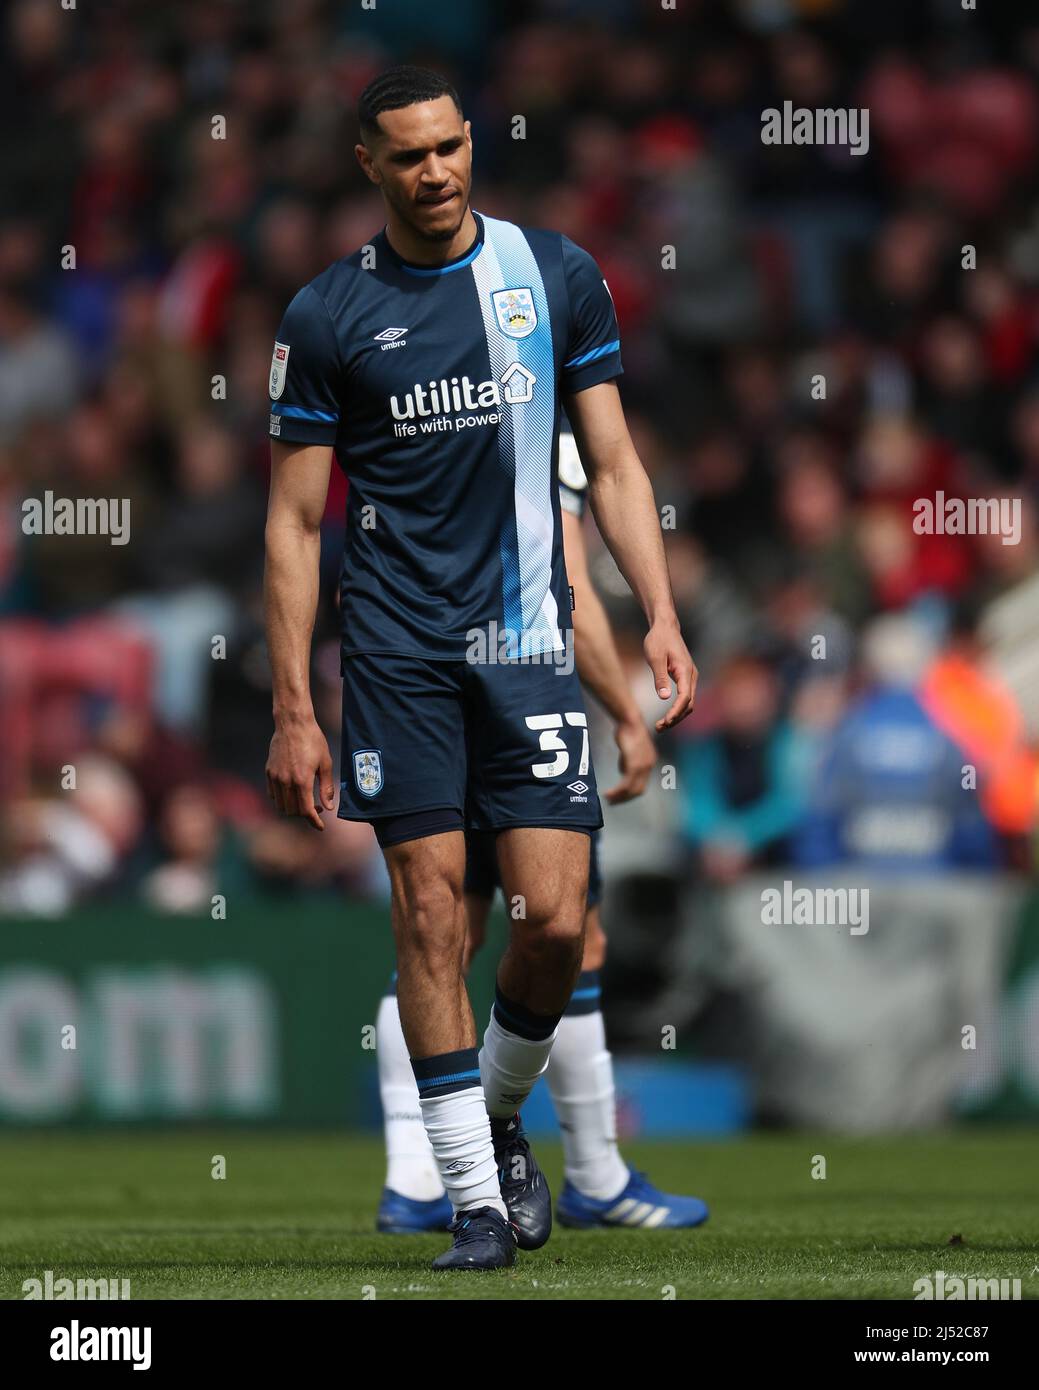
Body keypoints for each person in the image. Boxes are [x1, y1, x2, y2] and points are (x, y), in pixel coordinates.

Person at [263, 66, 696, 1270]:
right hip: (398, 652)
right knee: (431, 908)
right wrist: (296, 705)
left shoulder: (554, 275)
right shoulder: (326, 316)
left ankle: (497, 1114)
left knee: (555, 925)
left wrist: (656, 610)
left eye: (450, 147)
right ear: (369, 164)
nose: (436, 171)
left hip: (527, 645)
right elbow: (295, 525)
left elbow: (609, 464)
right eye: (408, 156)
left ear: (471, 143)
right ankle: (472, 1205)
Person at [375, 430, 710, 1234]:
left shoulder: (439, 408)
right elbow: (571, 592)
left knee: (441, 934)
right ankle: (581, 1168)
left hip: (423, 684)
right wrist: (627, 714)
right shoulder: (539, 426)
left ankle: (415, 1178)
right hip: (513, 700)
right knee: (558, 932)